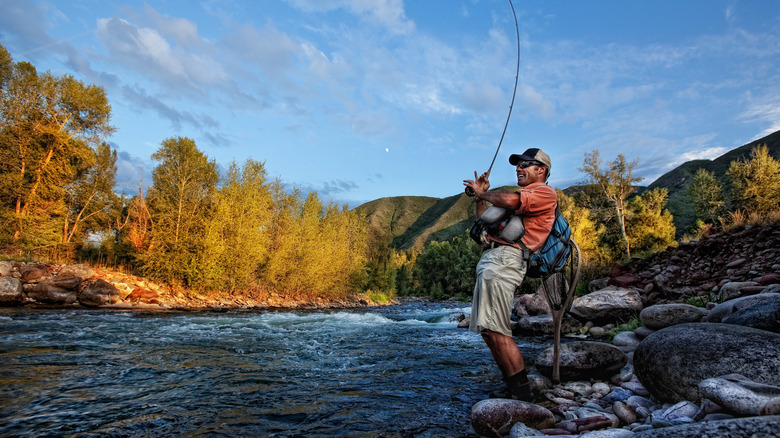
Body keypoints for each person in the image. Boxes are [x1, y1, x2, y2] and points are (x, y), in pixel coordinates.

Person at [462, 148, 557, 401]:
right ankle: (511, 386)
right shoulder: (522, 196)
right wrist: (479, 197)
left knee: (498, 330)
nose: (519, 168)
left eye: (526, 164)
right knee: (487, 330)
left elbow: (512, 201)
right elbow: (484, 219)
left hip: (506, 260)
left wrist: (483, 191)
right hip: (492, 259)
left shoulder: (544, 192)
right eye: (518, 164)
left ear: (542, 170)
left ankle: (523, 398)